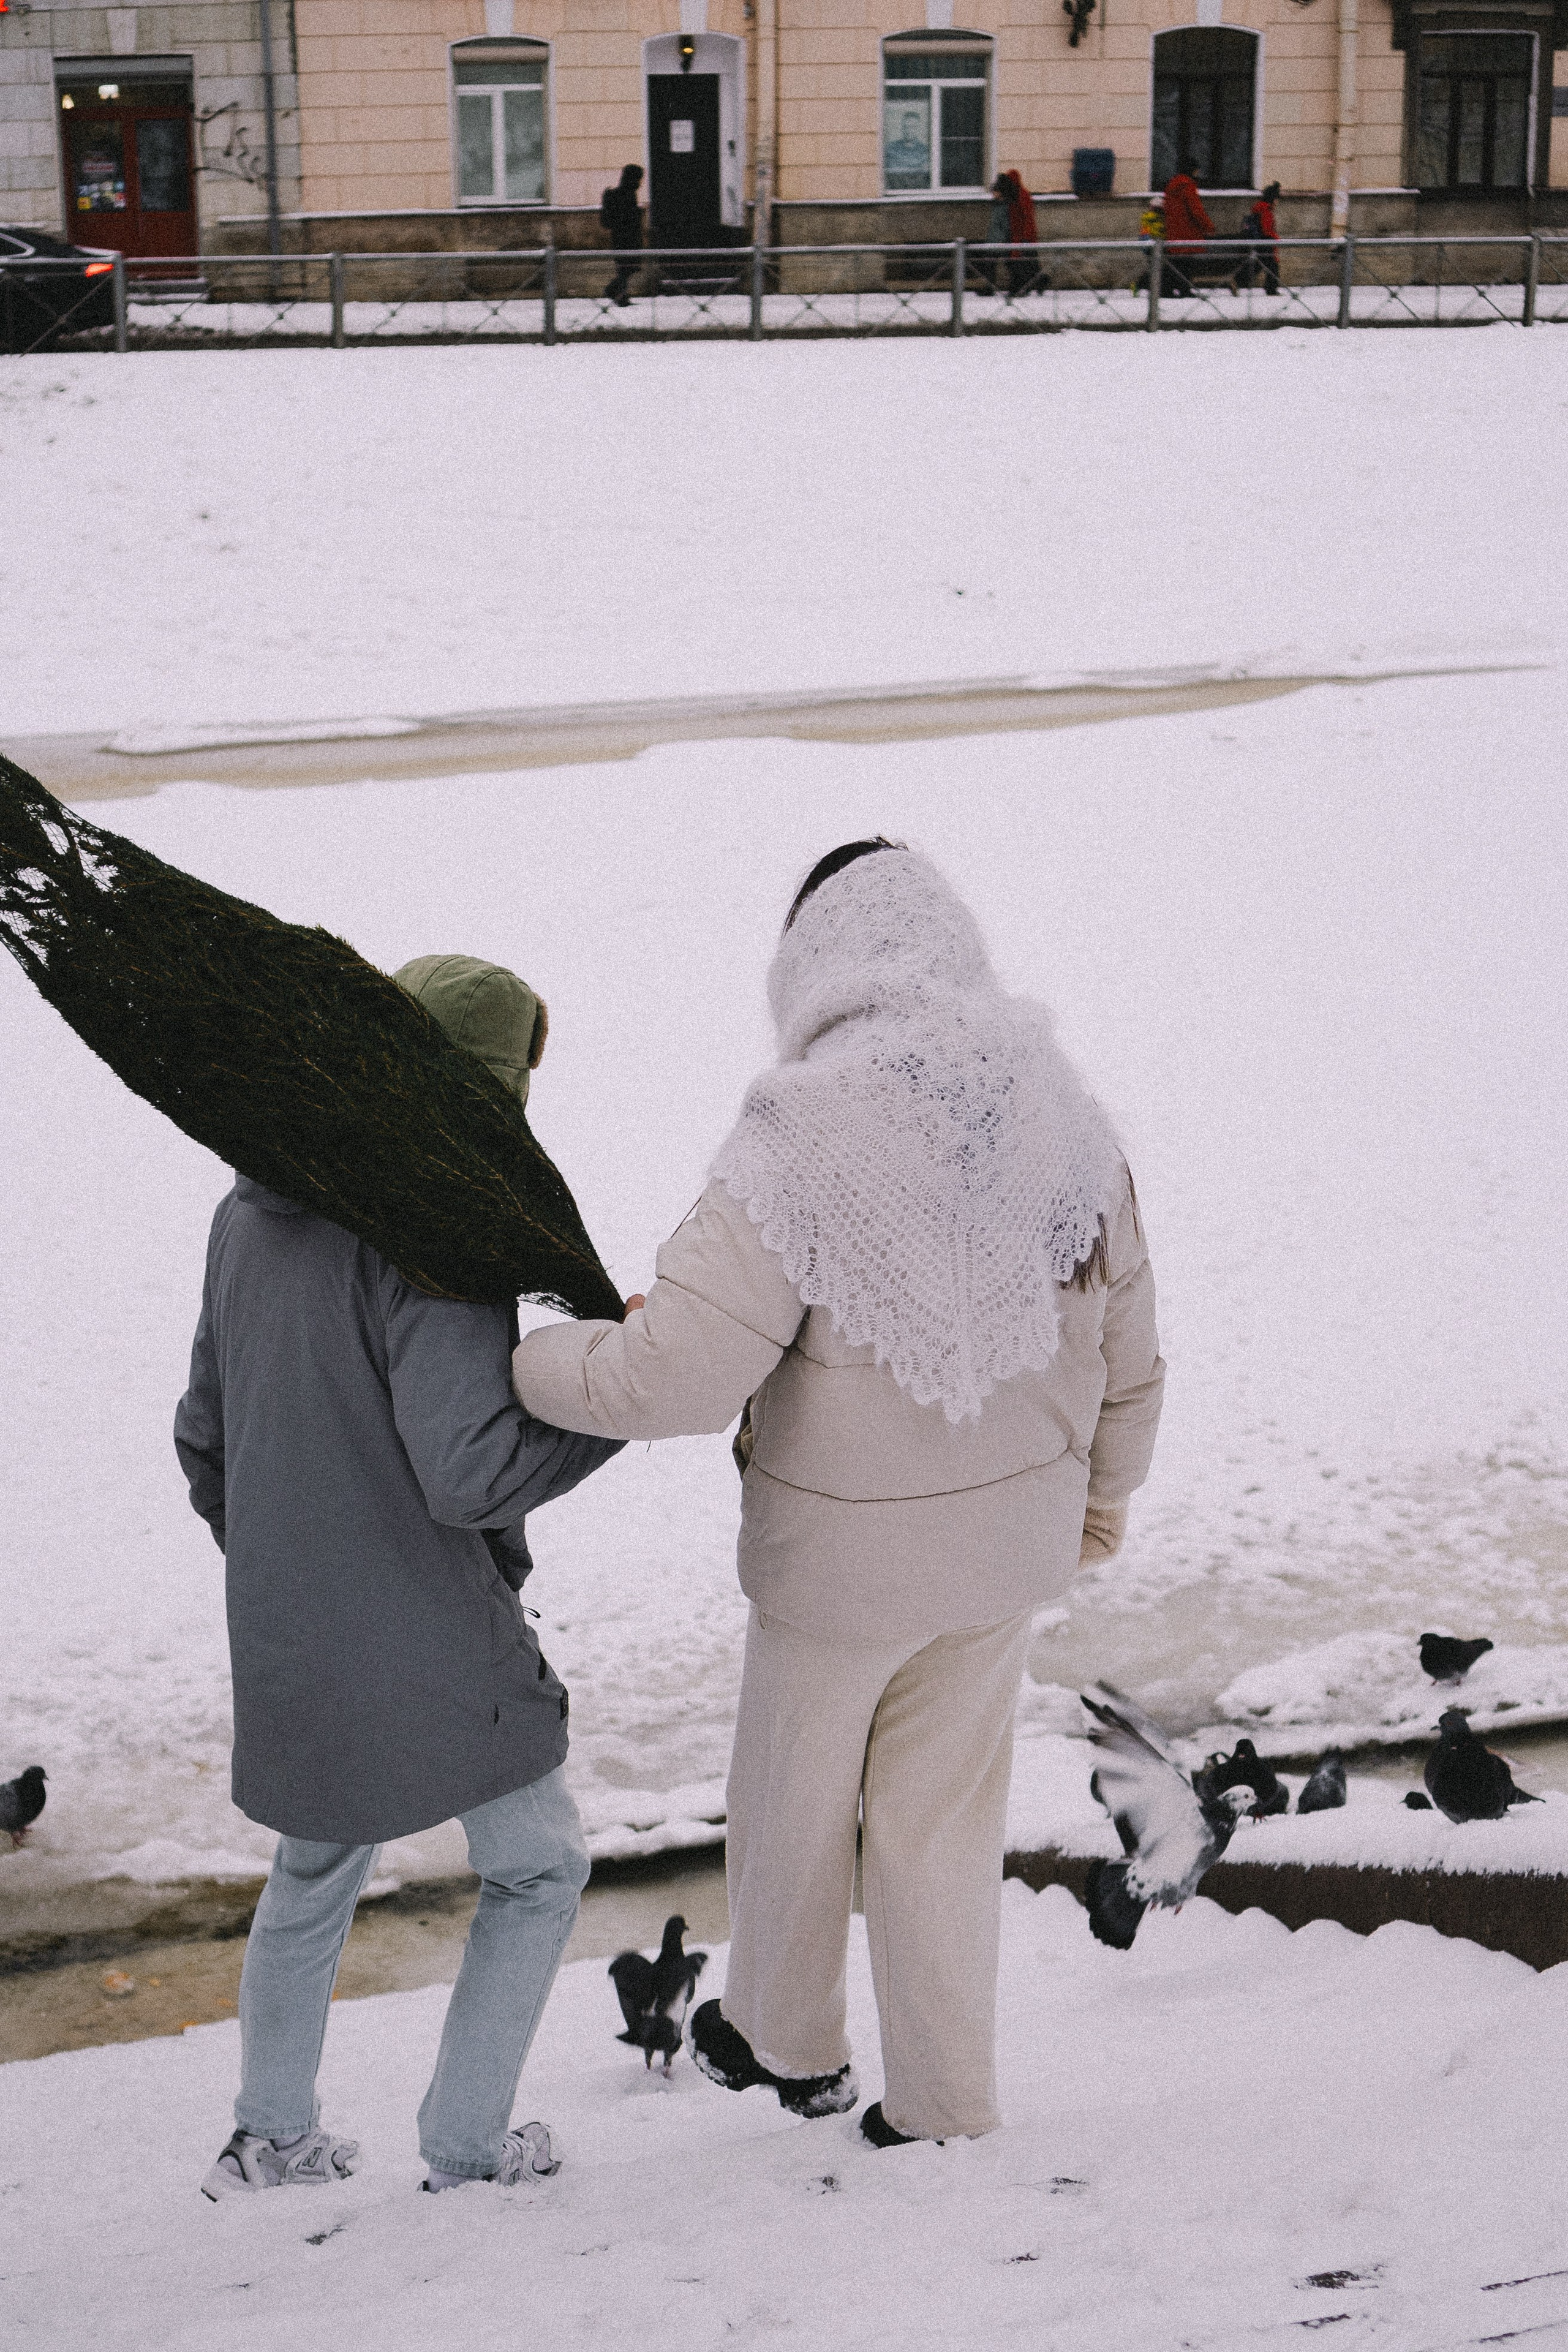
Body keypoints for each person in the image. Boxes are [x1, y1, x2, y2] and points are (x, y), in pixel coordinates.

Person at [513, 842, 1164, 2148]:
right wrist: (1099, 1501)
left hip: (837, 1568)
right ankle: (941, 2107)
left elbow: (673, 1377)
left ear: (811, 963)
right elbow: (1130, 1355)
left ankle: (788, 2041)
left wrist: (527, 1342)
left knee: (790, 1805)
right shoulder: (1063, 1114)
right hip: (1005, 1555)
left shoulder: (799, 1130)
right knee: (938, 1825)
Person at [176, 955, 623, 2199]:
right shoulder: (438, 1232)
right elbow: (470, 1474)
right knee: (538, 1867)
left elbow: (204, 1438)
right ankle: (468, 2146)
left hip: (287, 1619)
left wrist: (293, 1562)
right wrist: (611, 1399)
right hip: (431, 1624)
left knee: (313, 1870)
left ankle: (269, 2135)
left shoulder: (250, 1210)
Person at [1161, 158, 1214, 296]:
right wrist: (1209, 226)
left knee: (1175, 262)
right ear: (1192, 170)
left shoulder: (1171, 186)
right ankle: (1185, 289)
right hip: (1188, 231)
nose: (1198, 173)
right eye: (1197, 170)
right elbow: (1197, 211)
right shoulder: (1188, 186)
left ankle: (1167, 290)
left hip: (1173, 230)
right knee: (1187, 264)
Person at [601, 164, 644, 306]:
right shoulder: (628, 193)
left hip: (621, 237)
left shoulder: (627, 192)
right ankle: (614, 292)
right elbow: (627, 217)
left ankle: (620, 295)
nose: (641, 182)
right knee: (627, 267)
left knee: (626, 268)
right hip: (626, 237)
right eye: (639, 179)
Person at [1235, 181, 1281, 294]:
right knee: (1272, 267)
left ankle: (1237, 281)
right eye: (1277, 199)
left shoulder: (1259, 208)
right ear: (1273, 199)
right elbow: (1267, 230)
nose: (1278, 202)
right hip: (1265, 243)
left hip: (1258, 242)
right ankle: (1271, 290)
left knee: (1258, 265)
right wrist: (1276, 237)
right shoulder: (1266, 210)